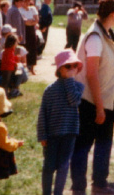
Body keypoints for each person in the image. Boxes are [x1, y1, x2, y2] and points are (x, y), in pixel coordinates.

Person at [71, 0, 114, 195]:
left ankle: (99, 186)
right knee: (83, 147)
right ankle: (78, 189)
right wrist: (100, 107)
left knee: (103, 146)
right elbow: (92, 74)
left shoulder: (106, 35)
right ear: (113, 14)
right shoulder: (95, 37)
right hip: (91, 102)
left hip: (103, 101)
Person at [38, 49, 85, 195]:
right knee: (49, 166)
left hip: (69, 133)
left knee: (63, 166)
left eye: (74, 66)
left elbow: (74, 101)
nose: (72, 69)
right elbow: (43, 114)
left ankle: (58, 192)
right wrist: (42, 135)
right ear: (59, 69)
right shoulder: (50, 90)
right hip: (52, 134)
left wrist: (70, 80)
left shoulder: (78, 87)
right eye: (68, 66)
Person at [20, 0, 40, 75]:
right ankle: (24, 67)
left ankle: (32, 68)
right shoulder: (20, 10)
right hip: (24, 29)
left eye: (28, 1)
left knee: (33, 48)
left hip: (32, 29)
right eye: (25, 1)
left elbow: (36, 19)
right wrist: (30, 21)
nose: (27, 3)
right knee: (25, 47)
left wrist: (31, 21)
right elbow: (25, 22)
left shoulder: (32, 9)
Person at [0, 34, 21, 98]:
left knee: (8, 82)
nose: (17, 43)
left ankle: (6, 94)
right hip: (6, 69)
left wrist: (16, 58)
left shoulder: (11, 50)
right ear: (12, 43)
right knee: (5, 83)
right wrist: (15, 63)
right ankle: (4, 95)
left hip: (9, 68)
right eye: (16, 42)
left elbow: (11, 58)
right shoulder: (8, 51)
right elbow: (9, 60)